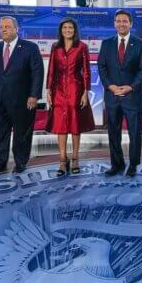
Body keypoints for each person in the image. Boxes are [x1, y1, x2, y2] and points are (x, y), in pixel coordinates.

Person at [0, 16, 43, 175]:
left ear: (16, 29)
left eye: (7, 26)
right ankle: (0, 163)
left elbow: (37, 73)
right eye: (1, 27)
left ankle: (20, 162)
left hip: (23, 100)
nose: (4, 29)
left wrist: (34, 95)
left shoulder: (30, 47)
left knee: (22, 133)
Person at [97, 9, 142, 177]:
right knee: (113, 132)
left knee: (134, 133)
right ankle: (117, 164)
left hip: (132, 96)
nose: (121, 24)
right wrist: (110, 86)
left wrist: (131, 87)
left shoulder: (141, 44)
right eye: (118, 21)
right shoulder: (106, 44)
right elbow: (101, 67)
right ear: (114, 24)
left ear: (131, 24)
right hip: (112, 96)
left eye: (124, 21)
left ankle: (133, 164)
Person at [46, 18, 95, 176]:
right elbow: (51, 69)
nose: (68, 30)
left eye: (71, 27)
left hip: (76, 89)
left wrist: (85, 92)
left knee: (75, 126)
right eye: (65, 27)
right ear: (61, 30)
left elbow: (86, 71)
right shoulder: (55, 47)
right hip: (58, 90)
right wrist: (48, 90)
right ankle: (62, 160)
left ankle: (75, 158)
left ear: (75, 30)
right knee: (60, 126)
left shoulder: (82, 47)